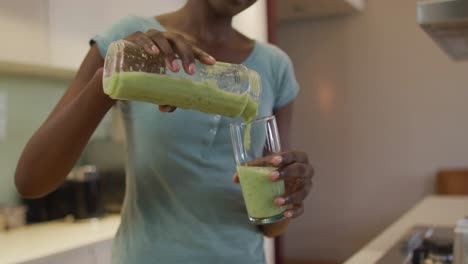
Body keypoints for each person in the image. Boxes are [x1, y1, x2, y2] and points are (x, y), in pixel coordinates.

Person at [15, 0, 314, 263]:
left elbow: (271, 224)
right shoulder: (133, 36)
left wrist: (288, 193)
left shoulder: (276, 66)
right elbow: (31, 180)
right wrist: (113, 76)